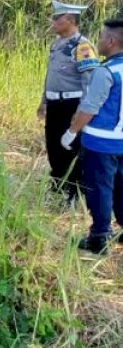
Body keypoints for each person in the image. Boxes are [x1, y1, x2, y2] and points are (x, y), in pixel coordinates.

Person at [63, 19, 123, 254]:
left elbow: (89, 107)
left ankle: (99, 237)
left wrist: (71, 132)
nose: (97, 42)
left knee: (100, 189)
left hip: (101, 143)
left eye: (101, 38)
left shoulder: (105, 71)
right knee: (121, 186)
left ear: (111, 41)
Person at [37, 0, 99, 205]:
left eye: (57, 18)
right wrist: (44, 101)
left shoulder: (82, 46)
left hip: (72, 105)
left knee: (70, 149)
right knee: (53, 148)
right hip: (55, 104)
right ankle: (57, 189)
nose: (53, 21)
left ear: (71, 20)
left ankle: (73, 193)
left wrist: (81, 110)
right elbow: (50, 76)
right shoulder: (56, 44)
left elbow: (90, 81)